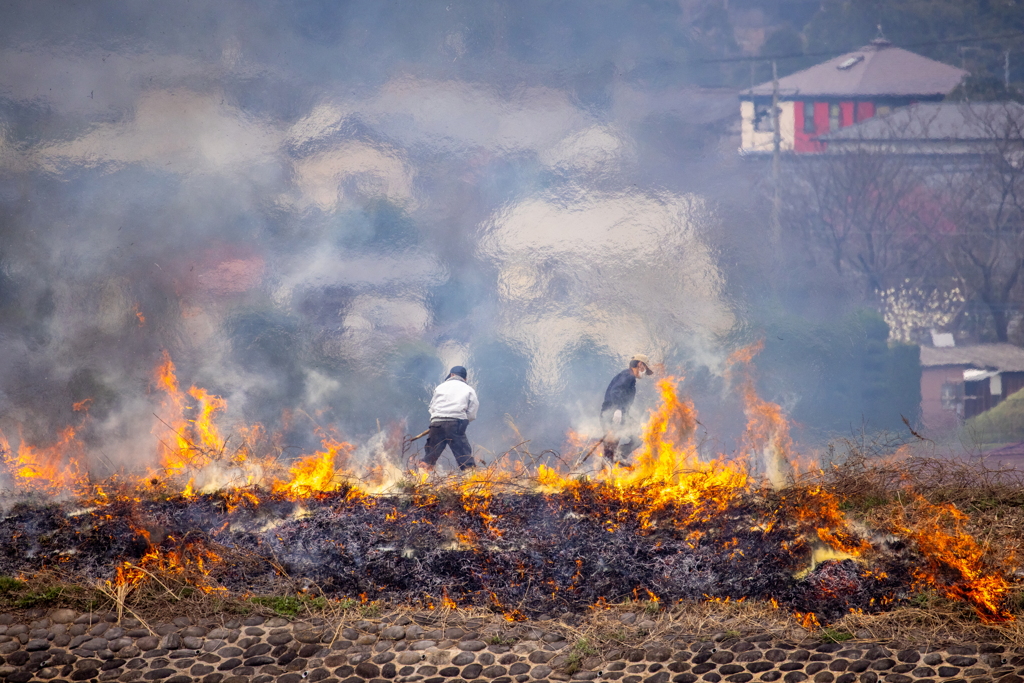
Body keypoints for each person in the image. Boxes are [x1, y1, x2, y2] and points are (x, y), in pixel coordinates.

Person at [419, 366, 479, 471]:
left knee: (430, 456)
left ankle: (418, 481)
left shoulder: (440, 387)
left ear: (451, 375)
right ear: (465, 379)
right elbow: (472, 412)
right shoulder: (468, 389)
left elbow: (432, 407)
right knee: (464, 456)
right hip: (456, 424)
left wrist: (437, 419)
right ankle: (473, 481)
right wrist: (464, 421)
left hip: (436, 424)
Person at [600, 354, 653, 465]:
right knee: (612, 446)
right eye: (646, 370)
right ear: (640, 365)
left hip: (619, 415)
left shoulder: (630, 378)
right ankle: (607, 471)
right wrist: (618, 410)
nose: (645, 374)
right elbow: (615, 391)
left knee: (637, 437)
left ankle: (618, 457)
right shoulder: (627, 376)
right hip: (613, 415)